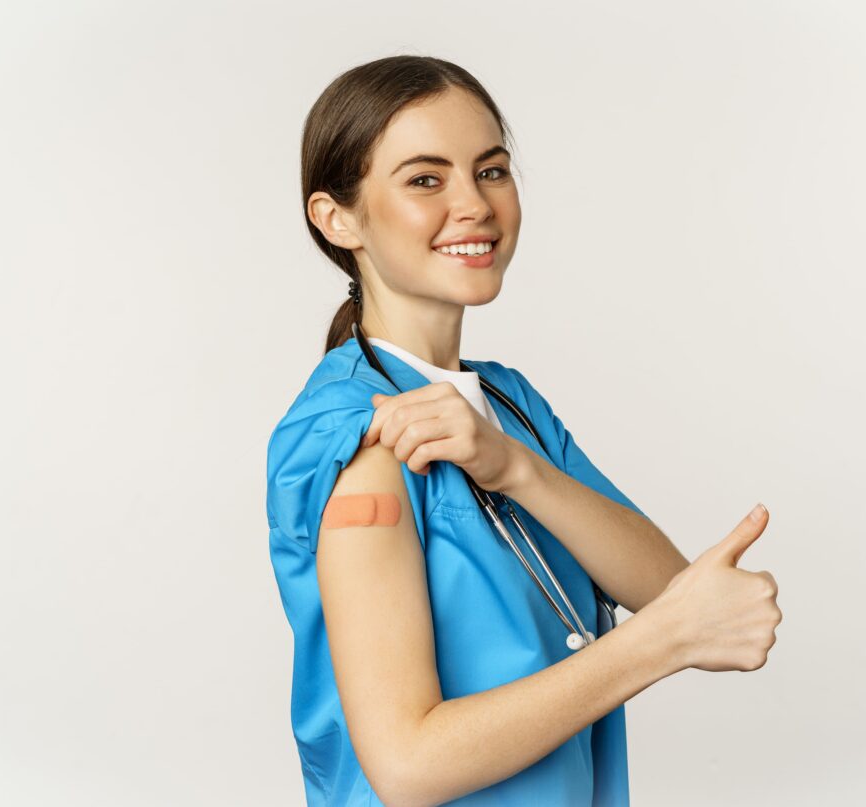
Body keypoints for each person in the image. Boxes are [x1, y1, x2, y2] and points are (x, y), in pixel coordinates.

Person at [265, 55, 782, 806]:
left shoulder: (508, 406)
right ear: (337, 217)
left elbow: (668, 588)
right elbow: (406, 763)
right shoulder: (367, 444)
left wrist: (513, 467)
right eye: (424, 179)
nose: (474, 203)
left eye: (492, 170)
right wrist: (660, 643)